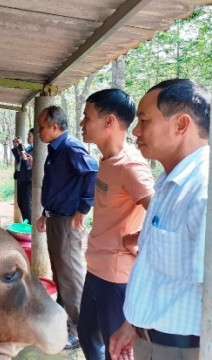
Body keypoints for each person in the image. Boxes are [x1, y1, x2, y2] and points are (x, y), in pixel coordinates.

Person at [109, 79, 210, 360]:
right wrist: (132, 325)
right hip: (153, 341)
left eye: (143, 120)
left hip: (185, 350)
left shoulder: (203, 191)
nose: (136, 131)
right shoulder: (169, 182)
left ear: (181, 125)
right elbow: (156, 271)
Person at [77, 89, 155, 360]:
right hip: (96, 267)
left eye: (87, 117)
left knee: (115, 349)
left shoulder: (131, 166)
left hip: (116, 276)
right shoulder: (107, 159)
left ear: (109, 122)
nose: (82, 123)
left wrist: (137, 240)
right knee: (87, 336)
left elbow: (159, 213)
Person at [36, 106, 98, 349]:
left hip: (67, 222)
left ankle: (81, 331)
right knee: (60, 272)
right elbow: (57, 186)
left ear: (54, 126)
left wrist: (83, 209)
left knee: (70, 276)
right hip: (55, 217)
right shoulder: (56, 149)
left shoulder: (71, 148)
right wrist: (44, 213)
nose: (39, 131)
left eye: (41, 127)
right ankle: (66, 323)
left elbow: (92, 171)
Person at [11, 129, 34, 223]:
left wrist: (20, 146)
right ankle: (26, 223)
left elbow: (26, 161)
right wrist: (16, 147)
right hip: (21, 177)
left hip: (28, 179)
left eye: (30, 135)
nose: (28, 137)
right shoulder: (29, 148)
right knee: (21, 203)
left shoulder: (36, 150)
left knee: (27, 205)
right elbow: (19, 159)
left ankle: (30, 226)